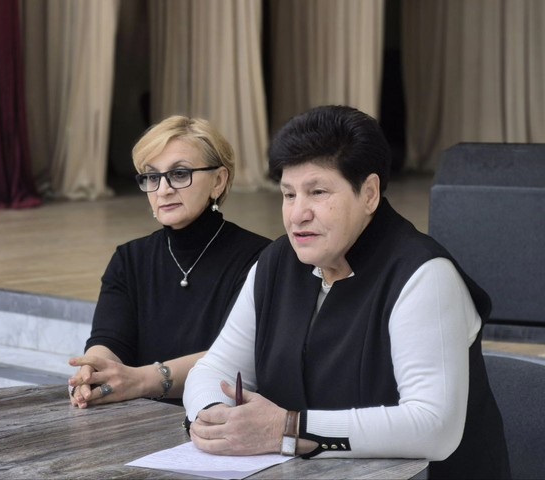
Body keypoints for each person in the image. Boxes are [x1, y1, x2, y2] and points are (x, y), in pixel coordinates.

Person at [183, 105, 510, 479]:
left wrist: (287, 429)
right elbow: (214, 369)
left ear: (369, 193)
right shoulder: (276, 263)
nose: (297, 214)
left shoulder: (423, 275)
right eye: (288, 195)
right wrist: (215, 416)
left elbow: (434, 427)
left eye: (317, 192)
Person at [68, 115, 271, 408]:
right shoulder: (129, 259)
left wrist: (142, 380)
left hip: (217, 418)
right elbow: (109, 340)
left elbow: (236, 358)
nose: (163, 190)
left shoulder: (261, 259)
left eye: (179, 174)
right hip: (136, 416)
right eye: (152, 177)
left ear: (218, 181)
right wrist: (93, 370)